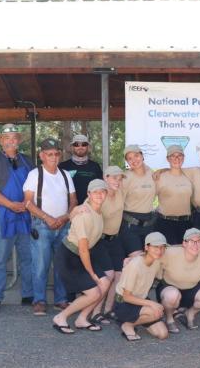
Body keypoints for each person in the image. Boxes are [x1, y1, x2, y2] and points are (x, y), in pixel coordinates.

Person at [0, 123, 35, 313]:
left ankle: (29, 294)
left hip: (24, 214)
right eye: (7, 138)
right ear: (1, 141)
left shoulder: (28, 161)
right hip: (1, 215)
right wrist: (11, 204)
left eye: (14, 138)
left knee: (27, 256)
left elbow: (35, 187)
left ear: (18, 141)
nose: (11, 141)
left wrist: (26, 205)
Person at [52, 179, 112, 334]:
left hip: (82, 255)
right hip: (69, 257)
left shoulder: (97, 211)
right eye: (95, 192)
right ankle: (61, 317)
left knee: (105, 283)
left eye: (102, 191)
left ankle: (82, 319)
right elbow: (83, 249)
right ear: (89, 194)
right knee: (94, 292)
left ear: (106, 194)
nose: (99, 195)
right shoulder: (84, 214)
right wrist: (92, 274)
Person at [24, 138, 76, 316]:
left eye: (56, 154)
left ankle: (61, 299)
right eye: (49, 154)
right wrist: (47, 218)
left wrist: (64, 217)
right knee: (40, 265)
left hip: (63, 225)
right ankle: (39, 300)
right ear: (42, 156)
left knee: (62, 264)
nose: (53, 157)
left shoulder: (65, 175)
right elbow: (28, 203)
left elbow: (74, 200)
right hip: (42, 225)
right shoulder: (34, 174)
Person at [157, 228, 200, 333]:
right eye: (191, 241)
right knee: (172, 295)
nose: (195, 244)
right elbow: (152, 255)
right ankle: (169, 318)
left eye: (198, 241)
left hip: (190, 288)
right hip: (169, 288)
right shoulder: (170, 253)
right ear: (184, 243)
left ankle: (190, 313)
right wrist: (134, 258)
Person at [114, 232, 169, 341]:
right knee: (155, 311)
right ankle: (127, 324)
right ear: (146, 247)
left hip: (140, 300)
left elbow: (176, 248)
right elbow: (126, 297)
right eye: (156, 247)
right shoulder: (135, 265)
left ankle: (137, 320)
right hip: (124, 303)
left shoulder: (156, 261)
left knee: (163, 334)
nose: (159, 250)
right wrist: (151, 303)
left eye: (162, 247)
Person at [90, 166, 126, 324]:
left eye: (119, 178)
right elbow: (85, 208)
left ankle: (108, 309)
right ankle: (95, 311)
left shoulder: (121, 192)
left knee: (119, 275)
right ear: (105, 177)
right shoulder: (100, 194)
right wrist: (76, 211)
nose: (117, 181)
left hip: (115, 239)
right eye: (113, 178)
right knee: (108, 275)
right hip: (100, 240)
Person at [117, 145, 157, 259]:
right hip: (130, 225)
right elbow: (116, 200)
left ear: (142, 156)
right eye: (129, 158)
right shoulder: (125, 178)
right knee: (138, 260)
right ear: (127, 162)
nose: (134, 160)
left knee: (150, 260)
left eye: (136, 155)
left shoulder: (152, 174)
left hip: (149, 224)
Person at [154, 145, 193, 245]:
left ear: (183, 157)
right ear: (168, 159)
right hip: (165, 223)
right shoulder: (159, 177)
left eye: (179, 155)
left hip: (186, 223)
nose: (176, 158)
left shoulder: (189, 176)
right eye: (173, 156)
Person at [59, 134, 103, 206]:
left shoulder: (95, 166)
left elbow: (101, 188)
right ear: (72, 147)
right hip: (68, 210)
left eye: (84, 144)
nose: (80, 147)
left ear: (88, 147)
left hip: (90, 209)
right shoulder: (63, 166)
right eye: (76, 144)